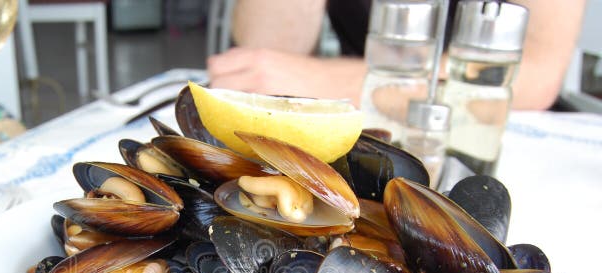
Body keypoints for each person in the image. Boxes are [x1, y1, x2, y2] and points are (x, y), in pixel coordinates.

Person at [207, 0, 586, 110]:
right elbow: (265, 51)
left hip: (483, 128)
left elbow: (535, 72)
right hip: (357, 126)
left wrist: (331, 80)